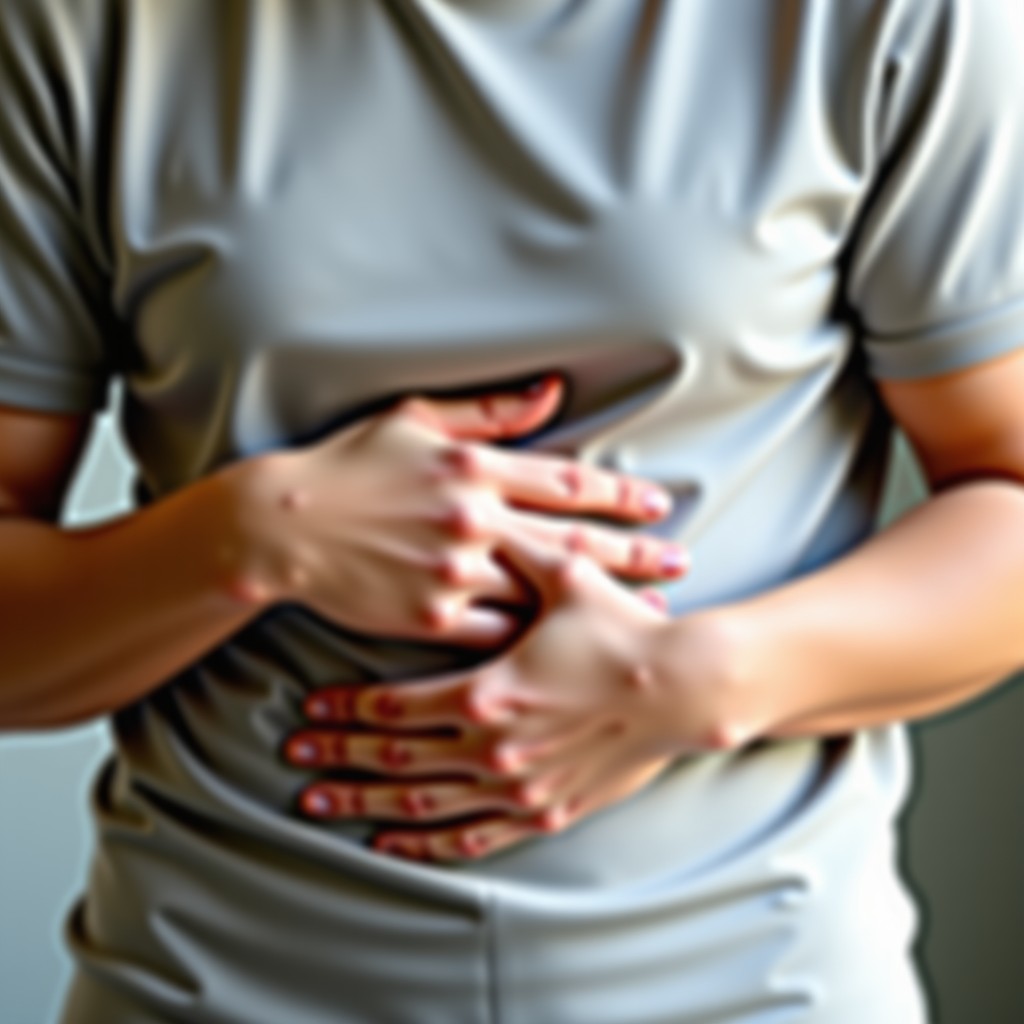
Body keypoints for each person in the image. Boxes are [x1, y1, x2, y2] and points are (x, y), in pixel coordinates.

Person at [3, 0, 1024, 1021]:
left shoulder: (901, 17)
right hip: (217, 982)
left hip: (749, 980)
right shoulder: (80, 29)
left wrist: (690, 682)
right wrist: (255, 535)